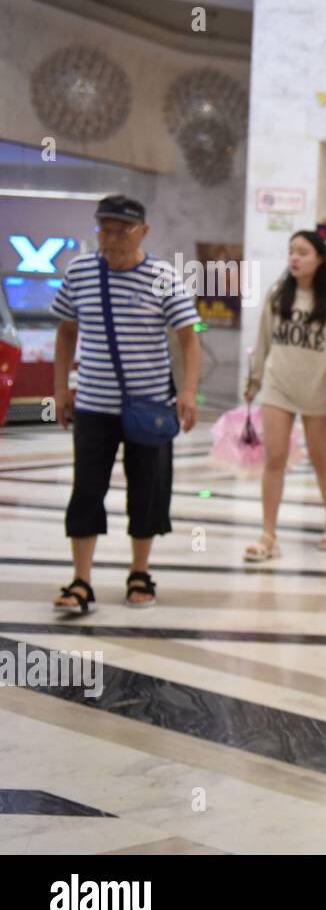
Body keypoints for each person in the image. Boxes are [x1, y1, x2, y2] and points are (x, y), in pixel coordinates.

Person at [50, 194, 201, 614]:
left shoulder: (162, 276)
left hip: (150, 406)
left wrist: (187, 392)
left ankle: (140, 572)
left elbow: (190, 339)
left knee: (148, 491)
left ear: (143, 232)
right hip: (94, 406)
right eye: (105, 228)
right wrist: (61, 388)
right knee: (86, 490)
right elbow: (65, 332)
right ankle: (81, 580)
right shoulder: (80, 271)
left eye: (122, 230)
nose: (111, 237)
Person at [243, 230, 326, 561]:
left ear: (319, 259)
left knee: (320, 458)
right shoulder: (278, 294)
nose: (295, 258)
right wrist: (253, 381)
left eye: (303, 252)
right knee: (274, 458)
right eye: (291, 251)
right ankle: (268, 535)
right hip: (278, 386)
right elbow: (263, 341)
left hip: (319, 390)